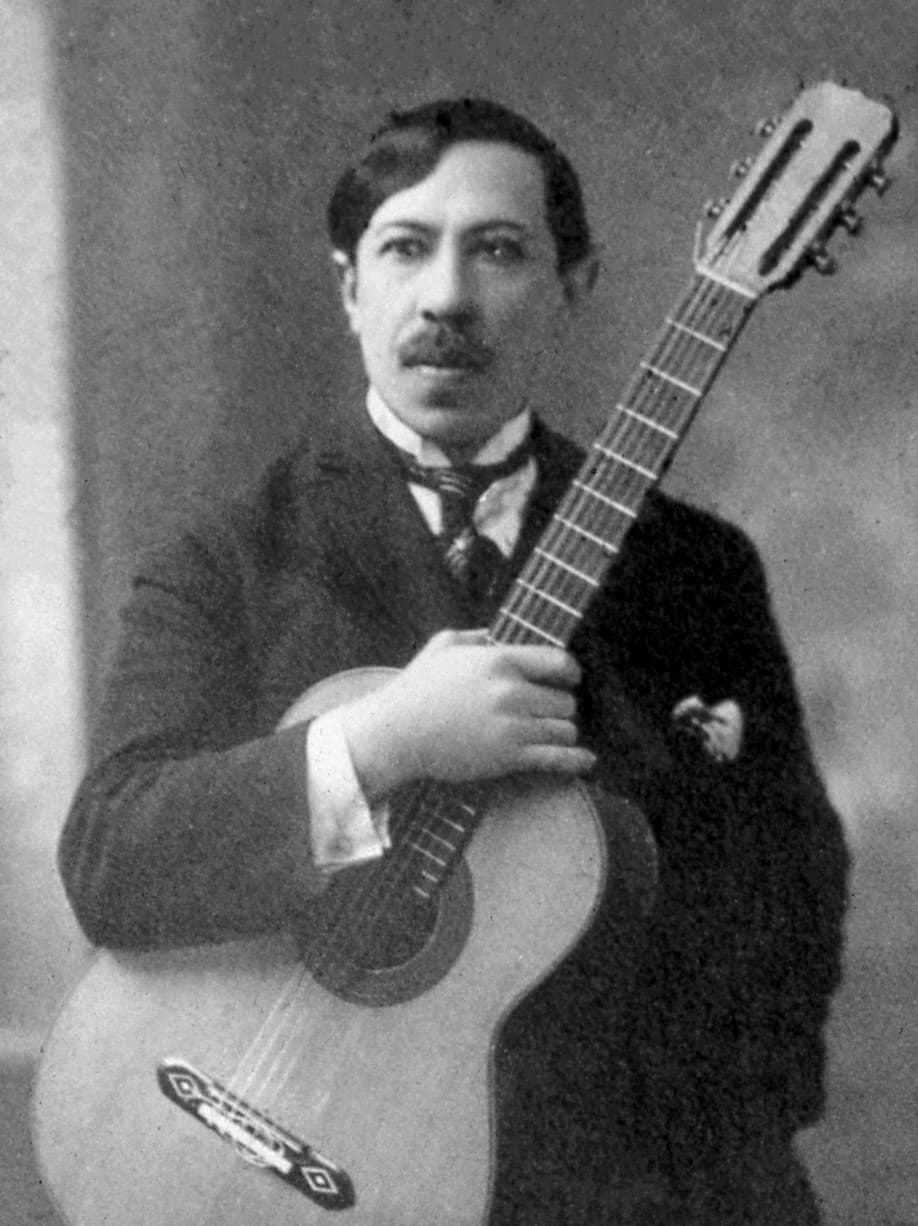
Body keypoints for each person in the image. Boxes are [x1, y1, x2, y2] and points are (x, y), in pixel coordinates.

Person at [59, 98, 848, 1224]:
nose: (447, 298)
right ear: (349, 287)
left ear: (575, 284)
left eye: (500, 250)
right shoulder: (228, 561)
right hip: (279, 1133)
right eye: (405, 248)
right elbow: (110, 860)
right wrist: (382, 742)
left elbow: (791, 892)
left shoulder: (697, 569)